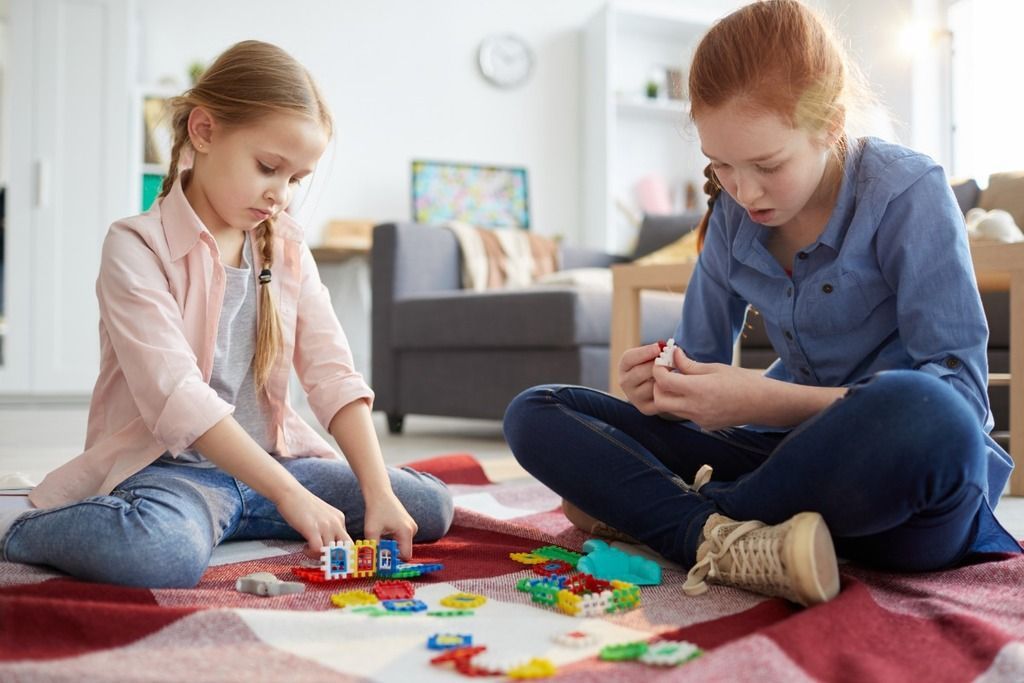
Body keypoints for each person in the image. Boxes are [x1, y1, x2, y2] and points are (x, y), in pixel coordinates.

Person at [504, 0, 1021, 607]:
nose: (744, 191)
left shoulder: (907, 190)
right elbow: (694, 367)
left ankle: (683, 520)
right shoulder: (730, 217)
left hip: (900, 488)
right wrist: (662, 386)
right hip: (778, 466)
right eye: (720, 166)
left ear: (829, 123)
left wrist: (762, 399)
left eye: (767, 165)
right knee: (537, 410)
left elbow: (962, 400)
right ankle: (722, 535)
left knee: (923, 410)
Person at [0, 40, 453, 588]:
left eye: (296, 179)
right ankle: (18, 528)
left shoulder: (285, 246)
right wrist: (292, 498)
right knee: (161, 553)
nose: (280, 195)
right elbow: (181, 399)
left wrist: (378, 492)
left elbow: (333, 372)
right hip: (173, 475)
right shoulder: (135, 247)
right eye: (268, 167)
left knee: (426, 505)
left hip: (273, 466)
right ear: (205, 131)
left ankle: (240, 519)